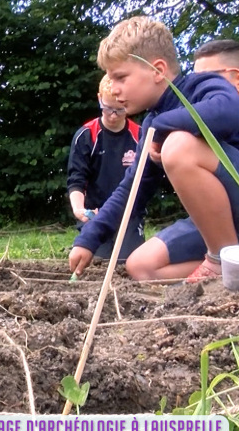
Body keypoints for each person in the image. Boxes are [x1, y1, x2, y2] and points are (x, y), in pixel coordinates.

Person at [68, 16, 239, 284]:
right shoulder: (151, 124)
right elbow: (131, 190)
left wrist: (162, 128)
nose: (114, 88)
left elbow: (229, 111)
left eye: (120, 77)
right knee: (141, 265)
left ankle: (223, 262)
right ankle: (226, 265)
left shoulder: (201, 86)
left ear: (157, 70)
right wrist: (89, 237)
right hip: (218, 223)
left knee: (179, 146)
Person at [67, 74, 143, 261]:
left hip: (128, 215)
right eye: (107, 108)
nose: (113, 115)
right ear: (99, 98)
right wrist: (79, 209)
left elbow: (146, 182)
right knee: (97, 263)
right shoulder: (86, 135)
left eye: (120, 109)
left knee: (129, 263)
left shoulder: (140, 136)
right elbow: (77, 179)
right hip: (94, 214)